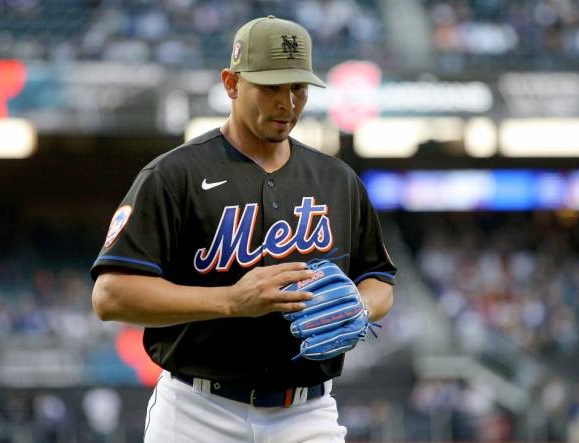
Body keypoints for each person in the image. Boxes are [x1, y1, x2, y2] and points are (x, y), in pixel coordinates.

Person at [91, 15, 396, 442]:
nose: (287, 103)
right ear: (231, 83)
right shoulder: (172, 175)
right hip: (198, 412)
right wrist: (231, 301)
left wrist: (361, 308)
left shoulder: (337, 179)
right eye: (271, 87)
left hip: (307, 414)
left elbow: (378, 279)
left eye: (298, 88)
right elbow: (110, 296)